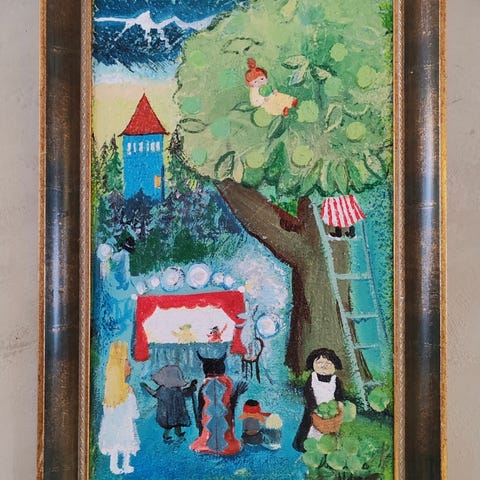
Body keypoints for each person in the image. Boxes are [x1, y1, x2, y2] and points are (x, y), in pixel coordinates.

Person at [98, 341, 140, 475]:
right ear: (121, 367)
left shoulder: (108, 391)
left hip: (111, 425)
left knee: (114, 444)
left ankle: (114, 466)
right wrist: (135, 414)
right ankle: (125, 465)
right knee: (126, 444)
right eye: (128, 364)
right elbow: (134, 413)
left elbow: (106, 411)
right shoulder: (128, 390)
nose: (130, 367)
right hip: (125, 425)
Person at [293, 348, 344, 452]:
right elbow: (308, 394)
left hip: (330, 411)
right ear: (313, 364)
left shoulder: (335, 380)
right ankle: (306, 446)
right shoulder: (312, 378)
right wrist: (313, 408)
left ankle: (327, 446)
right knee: (310, 428)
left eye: (328, 363)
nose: (324, 366)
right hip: (313, 409)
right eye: (319, 363)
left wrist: (339, 404)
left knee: (330, 429)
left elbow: (339, 395)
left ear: (335, 366)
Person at [141, 365, 197, 441]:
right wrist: (191, 388)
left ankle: (177, 433)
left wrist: (191, 387)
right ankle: (167, 435)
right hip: (170, 412)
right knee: (171, 424)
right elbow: (185, 393)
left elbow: (154, 394)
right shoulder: (169, 389)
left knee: (176, 423)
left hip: (173, 412)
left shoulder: (169, 389)